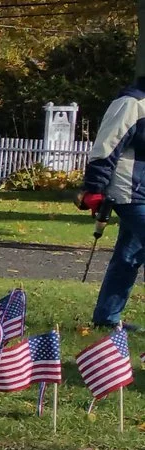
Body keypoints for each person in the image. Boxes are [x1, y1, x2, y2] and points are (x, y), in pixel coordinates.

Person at [83, 77, 145, 329]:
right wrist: (94, 188)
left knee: (128, 256)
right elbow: (106, 146)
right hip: (128, 190)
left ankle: (106, 318)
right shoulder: (131, 102)